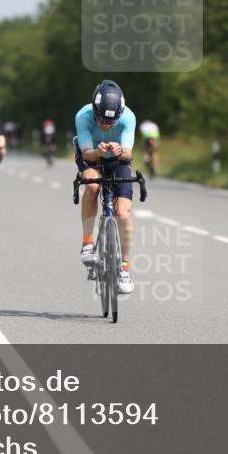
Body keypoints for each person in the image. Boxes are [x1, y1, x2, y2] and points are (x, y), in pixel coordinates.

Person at [75, 80, 137, 294]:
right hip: (92, 156)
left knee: (124, 213)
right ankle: (87, 243)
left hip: (118, 159)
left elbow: (129, 154)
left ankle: (125, 269)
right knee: (92, 185)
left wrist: (121, 151)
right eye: (101, 119)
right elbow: (86, 154)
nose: (105, 125)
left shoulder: (128, 117)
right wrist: (98, 153)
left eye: (111, 121)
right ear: (95, 110)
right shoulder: (82, 116)